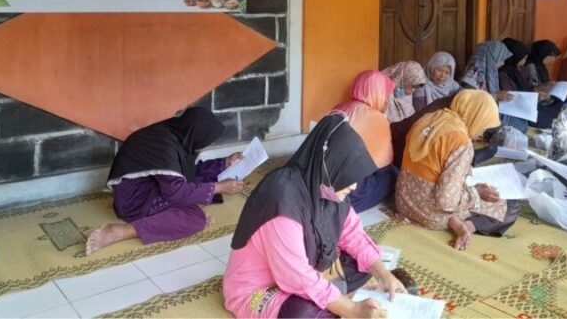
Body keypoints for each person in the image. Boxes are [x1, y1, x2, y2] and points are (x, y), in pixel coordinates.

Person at [223, 115, 406, 318]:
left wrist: (382, 274)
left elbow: (353, 235)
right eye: (348, 177)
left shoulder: (328, 187)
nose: (353, 186)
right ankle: (336, 301)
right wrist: (352, 310)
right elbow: (296, 275)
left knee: (363, 265)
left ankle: (335, 298)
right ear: (329, 167)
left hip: (310, 269)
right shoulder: (281, 201)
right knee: (301, 313)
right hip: (260, 288)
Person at [86, 107, 244, 255]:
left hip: (150, 187)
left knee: (199, 189)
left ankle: (189, 206)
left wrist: (224, 162)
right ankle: (123, 231)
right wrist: (217, 188)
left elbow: (187, 172)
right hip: (135, 202)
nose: (207, 146)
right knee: (196, 219)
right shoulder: (165, 146)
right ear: (197, 134)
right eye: (207, 141)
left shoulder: (177, 134)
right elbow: (176, 192)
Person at [395, 90, 520, 251]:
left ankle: (456, 220)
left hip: (404, 203)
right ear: (476, 116)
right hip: (429, 214)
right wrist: (476, 192)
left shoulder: (428, 119)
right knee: (510, 206)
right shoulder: (460, 141)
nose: (481, 134)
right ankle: (466, 225)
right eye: (484, 127)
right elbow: (446, 201)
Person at [333, 70, 399, 213]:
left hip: (323, 179)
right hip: (351, 190)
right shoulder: (377, 119)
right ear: (377, 93)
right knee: (393, 175)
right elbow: (384, 165)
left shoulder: (339, 107)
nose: (386, 99)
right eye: (385, 94)